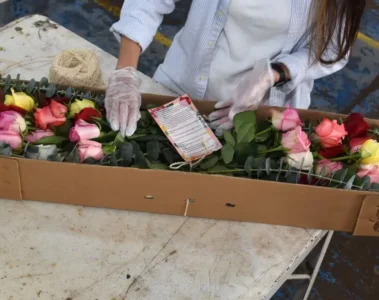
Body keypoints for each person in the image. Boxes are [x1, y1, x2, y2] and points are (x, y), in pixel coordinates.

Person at [105, 0, 366, 137]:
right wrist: (124, 74)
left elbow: (330, 50)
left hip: (263, 115)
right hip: (178, 88)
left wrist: (275, 73)